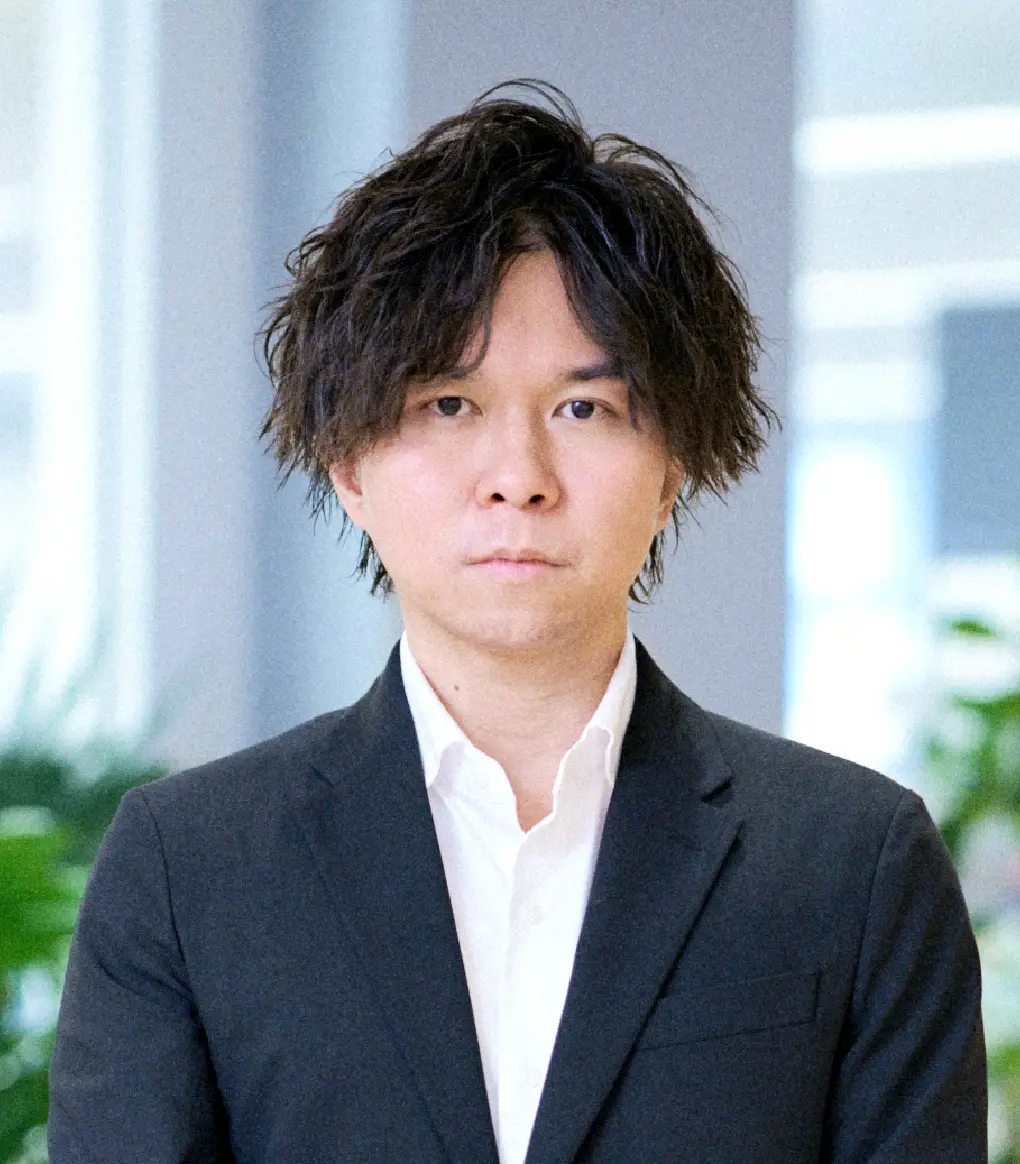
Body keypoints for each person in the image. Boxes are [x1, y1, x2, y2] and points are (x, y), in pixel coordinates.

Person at [48, 81, 986, 1164]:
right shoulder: (189, 869)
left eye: (584, 407)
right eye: (449, 405)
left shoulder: (853, 863)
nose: (519, 476)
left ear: (673, 463)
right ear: (348, 463)